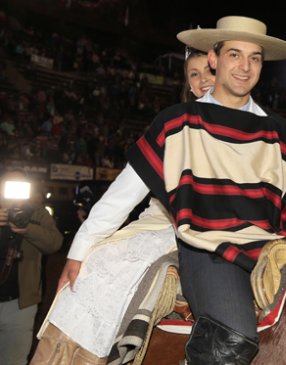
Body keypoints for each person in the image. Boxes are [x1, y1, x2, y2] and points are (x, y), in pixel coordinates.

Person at [55, 15, 286, 365]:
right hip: (207, 251)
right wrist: (79, 250)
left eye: (254, 58)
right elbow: (122, 194)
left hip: (272, 250)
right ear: (214, 59)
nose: (245, 66)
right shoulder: (177, 122)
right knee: (234, 336)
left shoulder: (277, 129)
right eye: (234, 54)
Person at [30, 43, 218, 365]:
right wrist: (79, 251)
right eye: (194, 75)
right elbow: (120, 197)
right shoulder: (172, 128)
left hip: (220, 239)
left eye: (210, 72)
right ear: (187, 84)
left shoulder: (259, 130)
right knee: (99, 265)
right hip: (160, 225)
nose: (203, 81)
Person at [0, 170, 63, 365]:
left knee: (14, 360)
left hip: (21, 302)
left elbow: (55, 243)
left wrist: (28, 229)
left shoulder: (38, 213)